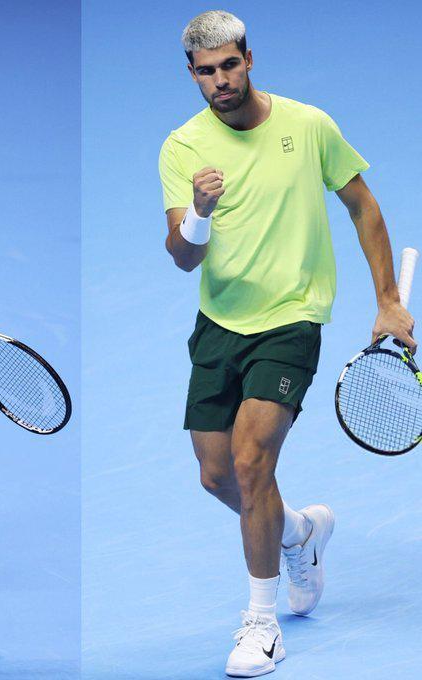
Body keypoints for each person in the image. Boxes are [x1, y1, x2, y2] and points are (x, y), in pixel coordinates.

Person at [158, 10, 415, 678]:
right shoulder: (182, 147)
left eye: (230, 65)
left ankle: (261, 624)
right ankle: (300, 533)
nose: (221, 80)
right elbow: (183, 258)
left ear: (249, 60)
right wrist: (201, 212)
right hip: (220, 323)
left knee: (251, 464)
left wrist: (388, 300)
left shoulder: (309, 125)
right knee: (217, 475)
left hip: (293, 318)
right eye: (206, 71)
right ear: (192, 74)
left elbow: (362, 205)